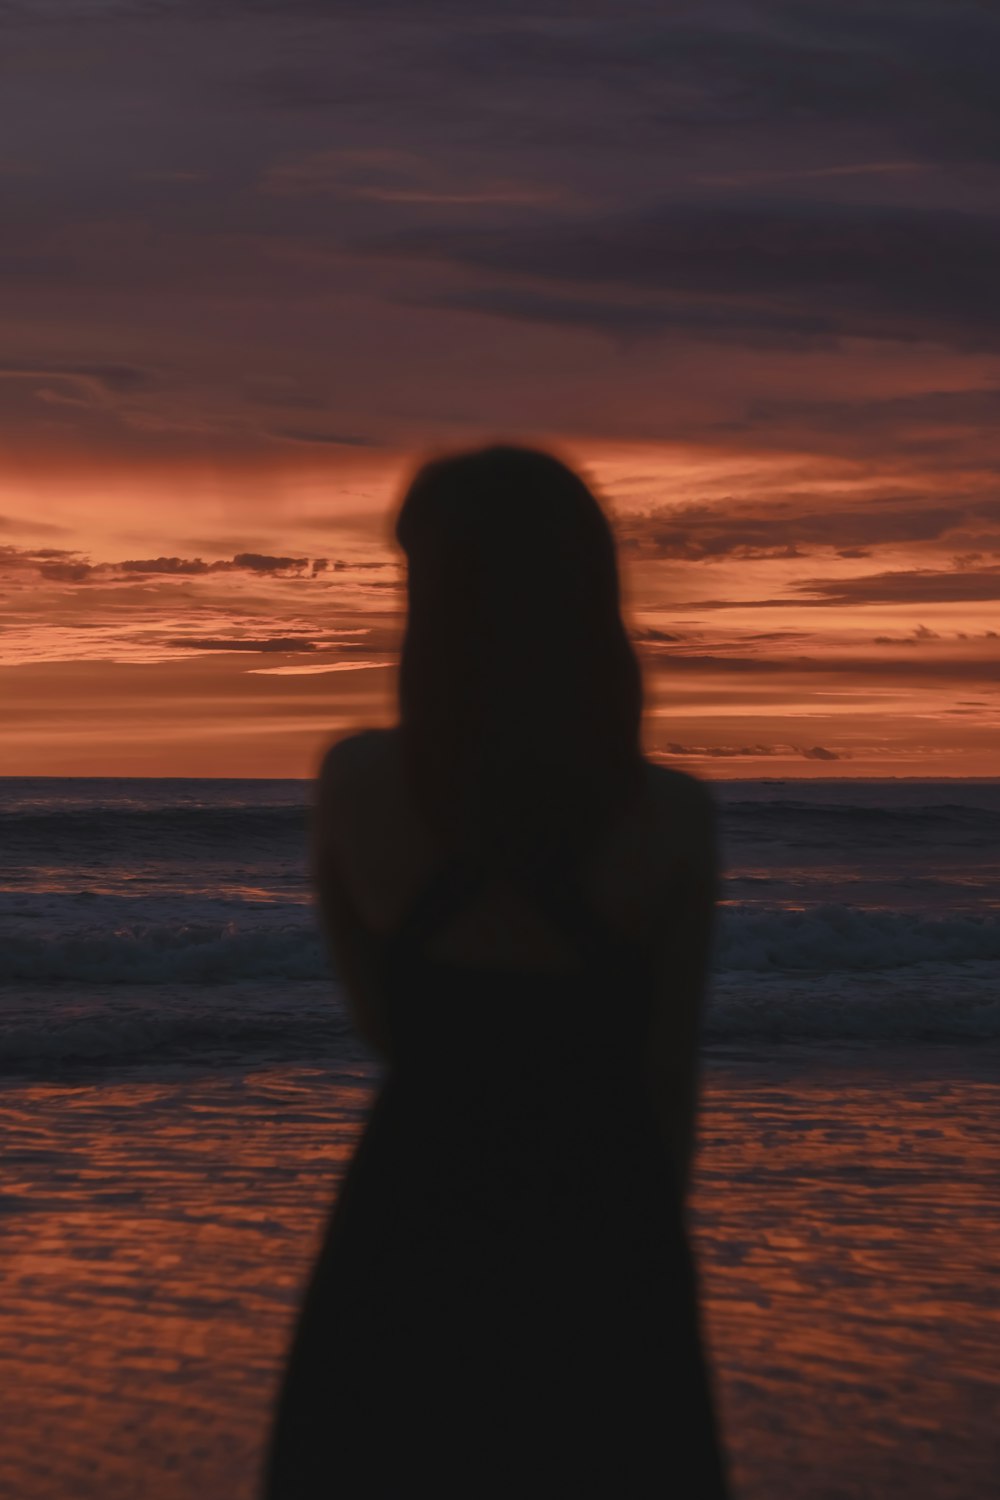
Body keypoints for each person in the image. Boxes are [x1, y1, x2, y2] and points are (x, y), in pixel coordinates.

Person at [262, 446, 730, 1497]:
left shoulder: (357, 784)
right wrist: (647, 1249)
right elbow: (664, 1075)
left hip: (410, 1215)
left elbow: (383, 1025)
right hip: (604, 1217)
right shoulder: (671, 820)